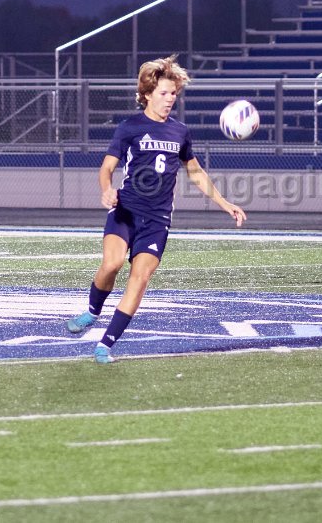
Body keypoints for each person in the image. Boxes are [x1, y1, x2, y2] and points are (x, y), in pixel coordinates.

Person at [65, 54, 247, 363]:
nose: (170, 99)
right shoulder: (130, 127)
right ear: (147, 94)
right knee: (112, 264)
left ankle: (105, 344)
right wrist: (106, 190)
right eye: (164, 93)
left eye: (173, 93)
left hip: (157, 220)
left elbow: (195, 172)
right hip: (125, 211)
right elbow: (107, 168)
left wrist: (224, 202)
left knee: (140, 278)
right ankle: (93, 311)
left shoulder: (180, 132)